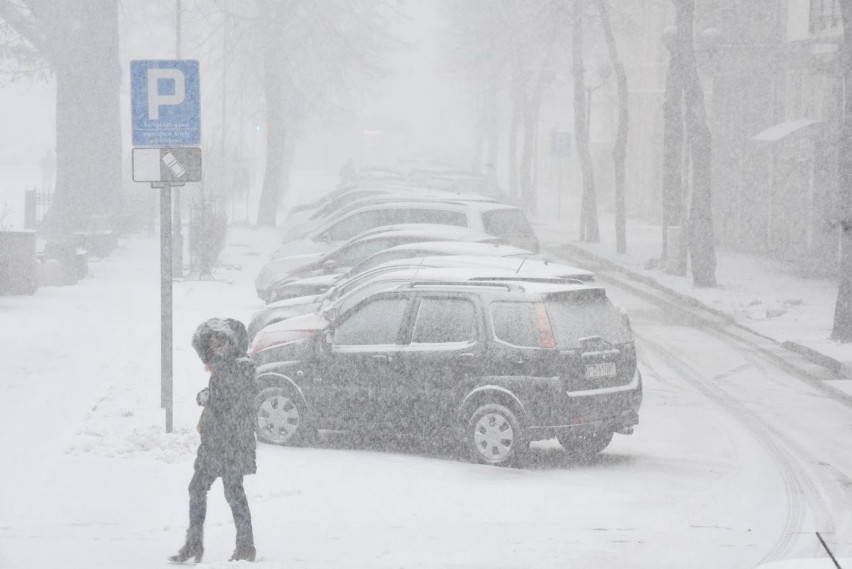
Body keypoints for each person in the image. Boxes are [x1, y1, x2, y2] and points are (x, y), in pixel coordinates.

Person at [170, 318, 258, 563]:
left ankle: (244, 547)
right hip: (216, 442)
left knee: (232, 492)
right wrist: (209, 396)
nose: (215, 344)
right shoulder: (225, 365)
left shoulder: (240, 367)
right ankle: (197, 544)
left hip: (230, 444)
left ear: (233, 341)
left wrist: (206, 397)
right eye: (211, 341)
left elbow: (229, 403)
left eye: (220, 340)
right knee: (201, 489)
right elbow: (224, 399)